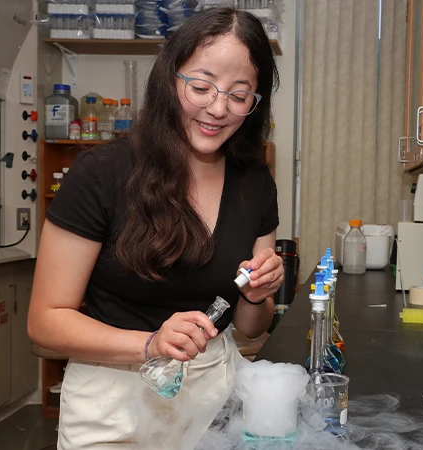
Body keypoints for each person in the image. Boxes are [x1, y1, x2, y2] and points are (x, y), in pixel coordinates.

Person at [27, 8, 282, 449]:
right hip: (113, 401)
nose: (218, 109)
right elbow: (44, 325)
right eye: (201, 87)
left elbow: (251, 327)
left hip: (213, 397)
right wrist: (151, 343)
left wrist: (257, 296)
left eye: (240, 96)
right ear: (170, 78)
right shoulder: (100, 174)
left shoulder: (254, 182)